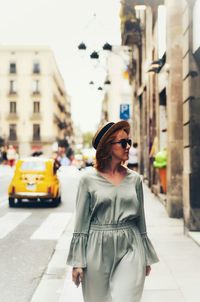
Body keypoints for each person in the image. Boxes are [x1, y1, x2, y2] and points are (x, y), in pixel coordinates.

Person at [67, 121, 159, 302]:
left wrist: (146, 256)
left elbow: (141, 219)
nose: (128, 147)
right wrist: (78, 261)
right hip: (96, 245)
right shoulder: (87, 180)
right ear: (107, 147)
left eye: (129, 142)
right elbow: (81, 221)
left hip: (130, 244)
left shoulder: (135, 180)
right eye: (123, 143)